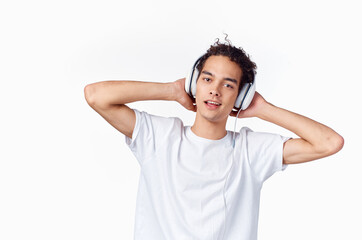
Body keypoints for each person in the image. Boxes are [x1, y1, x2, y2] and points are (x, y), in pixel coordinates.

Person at [84, 38, 344, 240]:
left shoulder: (251, 150)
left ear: (241, 96)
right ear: (194, 84)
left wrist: (263, 109)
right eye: (207, 79)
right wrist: (172, 91)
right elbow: (96, 95)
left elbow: (329, 142)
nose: (215, 90)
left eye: (228, 85)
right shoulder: (159, 137)